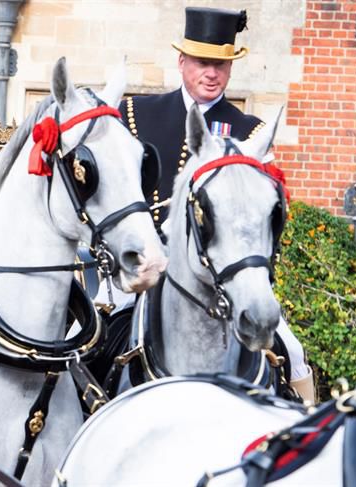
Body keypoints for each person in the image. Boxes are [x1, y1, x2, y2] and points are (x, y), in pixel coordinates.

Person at [119, 6, 314, 401]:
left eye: (222, 65)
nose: (212, 73)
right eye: (203, 62)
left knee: (291, 351)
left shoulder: (249, 132)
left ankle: (301, 426)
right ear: (182, 61)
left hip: (221, 273)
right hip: (141, 263)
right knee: (80, 340)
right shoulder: (136, 113)